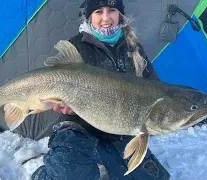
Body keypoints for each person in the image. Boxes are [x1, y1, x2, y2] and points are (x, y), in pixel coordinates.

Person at [29, 0, 171, 179]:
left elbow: (154, 87)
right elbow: (55, 86)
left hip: (119, 131)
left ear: (120, 14)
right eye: (98, 12)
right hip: (78, 127)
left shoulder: (133, 47)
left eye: (111, 10)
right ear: (89, 16)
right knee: (69, 174)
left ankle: (105, 161)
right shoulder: (76, 47)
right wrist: (61, 103)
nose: (106, 18)